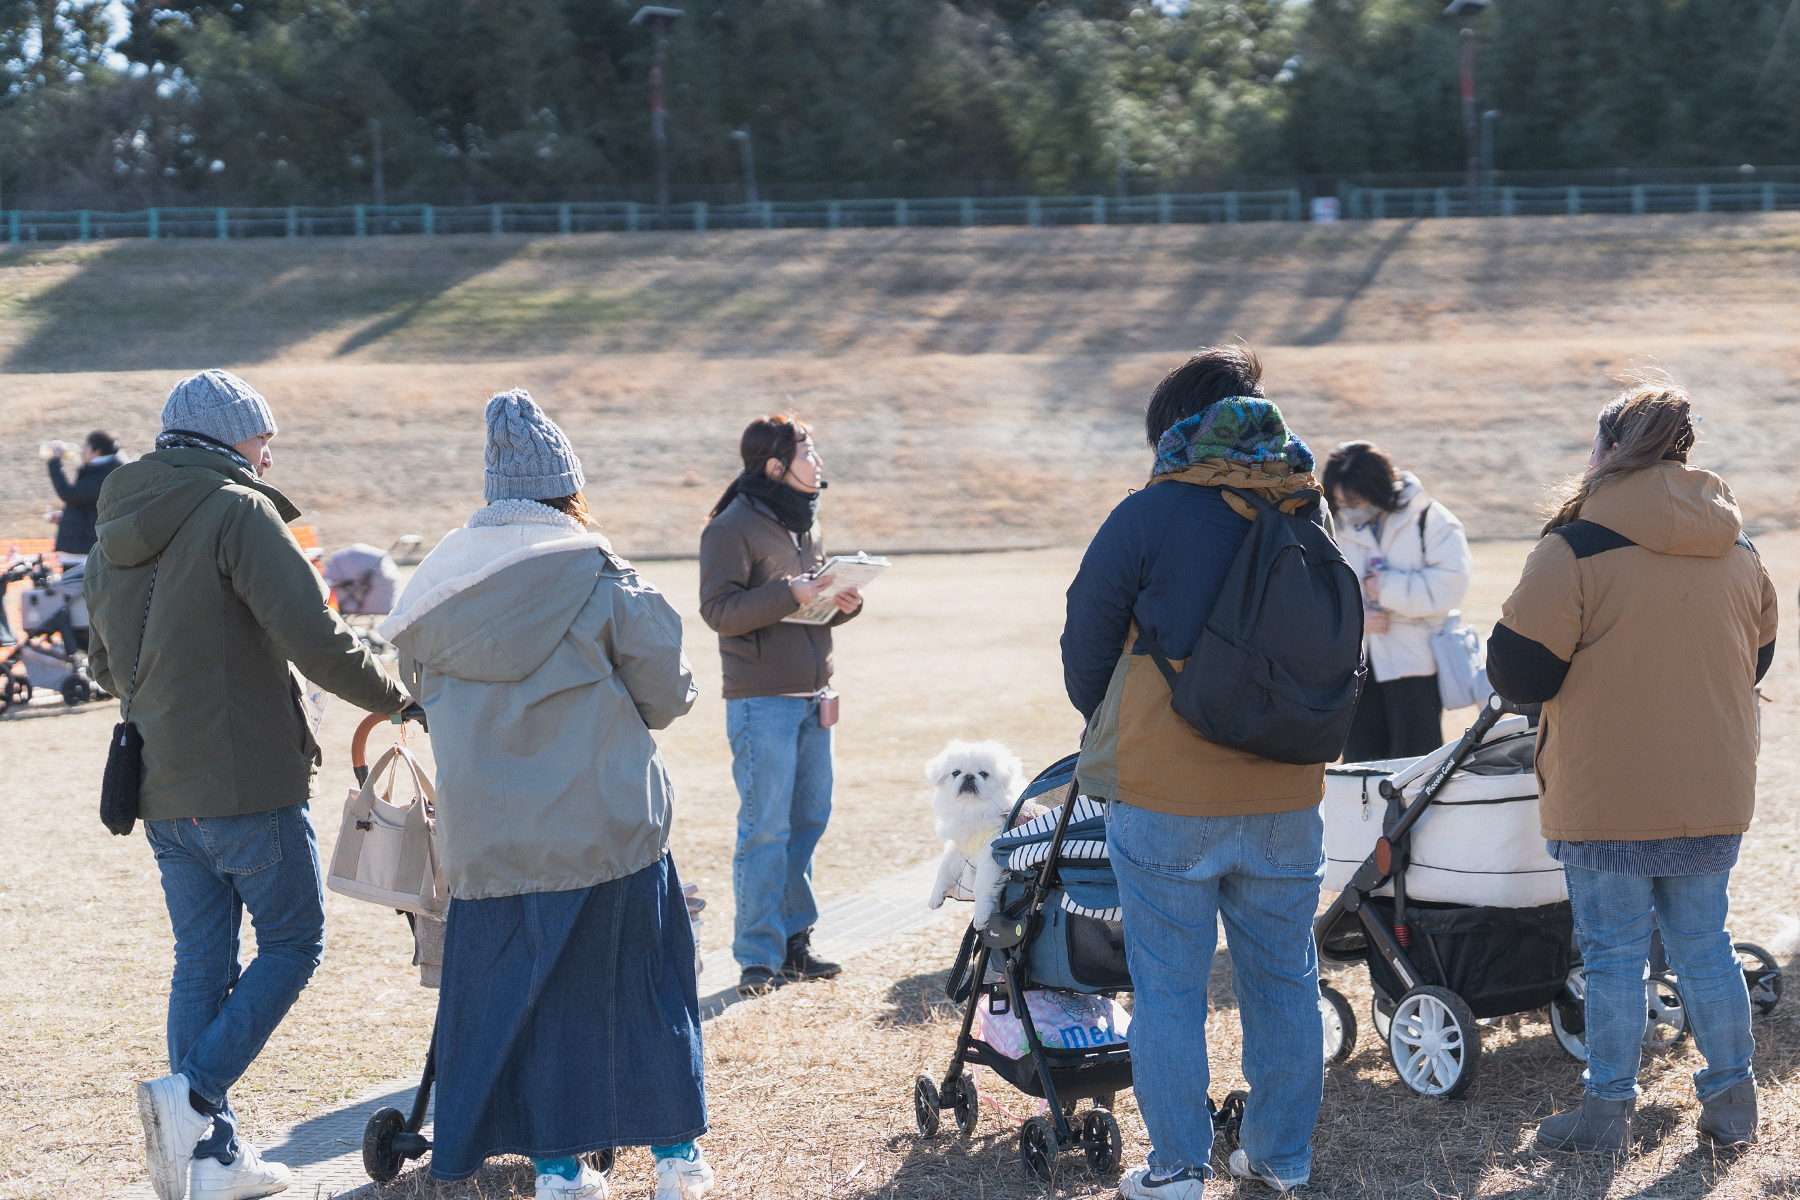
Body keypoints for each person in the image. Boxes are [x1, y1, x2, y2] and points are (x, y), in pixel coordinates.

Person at [84, 370, 412, 1200]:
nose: (271, 452)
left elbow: (99, 664)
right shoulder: (240, 510)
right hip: (247, 778)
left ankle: (212, 1160)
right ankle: (191, 1100)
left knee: (201, 959)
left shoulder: (111, 523)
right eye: (264, 436)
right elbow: (319, 639)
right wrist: (402, 695)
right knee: (295, 942)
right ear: (233, 438)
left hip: (160, 784)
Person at [381, 390, 712, 1200]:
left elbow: (416, 692)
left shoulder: (434, 595)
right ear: (568, 490)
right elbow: (669, 696)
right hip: (608, 829)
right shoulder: (599, 577)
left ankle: (562, 1172)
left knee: (534, 1013)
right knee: (648, 991)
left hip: (491, 848)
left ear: (494, 495)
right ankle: (676, 1162)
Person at [1062, 345, 1336, 1197]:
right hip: (1288, 789)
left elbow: (1084, 650)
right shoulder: (1305, 510)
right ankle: (1281, 1159)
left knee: (1169, 990)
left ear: (1174, 429)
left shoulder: (1149, 514)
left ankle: (1177, 1168)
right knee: (1285, 978)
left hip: (1168, 795)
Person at [1488, 377, 1776, 1155]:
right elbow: (1760, 655)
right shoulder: (1738, 543)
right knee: (1705, 946)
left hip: (1608, 792)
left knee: (1615, 957)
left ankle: (1607, 1114)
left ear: (1613, 448)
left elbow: (1517, 675)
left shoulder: (1576, 545)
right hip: (1714, 784)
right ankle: (1733, 1104)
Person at [698, 414, 862, 997]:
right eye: (808, 453)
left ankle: (797, 944)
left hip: (814, 695)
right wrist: (788, 592)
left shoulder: (802, 524)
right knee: (764, 829)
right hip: (760, 701)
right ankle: (757, 959)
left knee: (808, 821)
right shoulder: (730, 529)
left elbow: (806, 607)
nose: (818, 463)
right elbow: (718, 611)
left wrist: (841, 601)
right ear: (775, 466)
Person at [1323, 440, 1472, 761]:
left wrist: (1387, 589)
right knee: (1360, 770)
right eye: (1340, 502)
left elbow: (1451, 585)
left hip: (1415, 665)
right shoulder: (1331, 524)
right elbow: (1319, 591)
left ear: (1380, 489)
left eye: (1357, 500)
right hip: (1356, 668)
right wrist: (1357, 618)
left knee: (1416, 766)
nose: (1350, 509)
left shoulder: (1430, 519)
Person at [45, 429, 125, 563]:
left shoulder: (104, 474)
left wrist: (55, 462)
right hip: (84, 548)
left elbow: (70, 494)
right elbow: (90, 507)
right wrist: (65, 517)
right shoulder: (105, 470)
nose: (82, 451)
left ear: (97, 452)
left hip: (84, 551)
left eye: (86, 446)